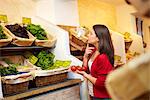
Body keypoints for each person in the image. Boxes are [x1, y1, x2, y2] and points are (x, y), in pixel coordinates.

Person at [76, 24, 114, 100]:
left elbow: (101, 83)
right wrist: (85, 56)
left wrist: (85, 75)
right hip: (93, 93)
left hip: (103, 96)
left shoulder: (103, 57)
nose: (88, 35)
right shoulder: (94, 51)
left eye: (91, 33)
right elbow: (86, 69)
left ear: (98, 38)